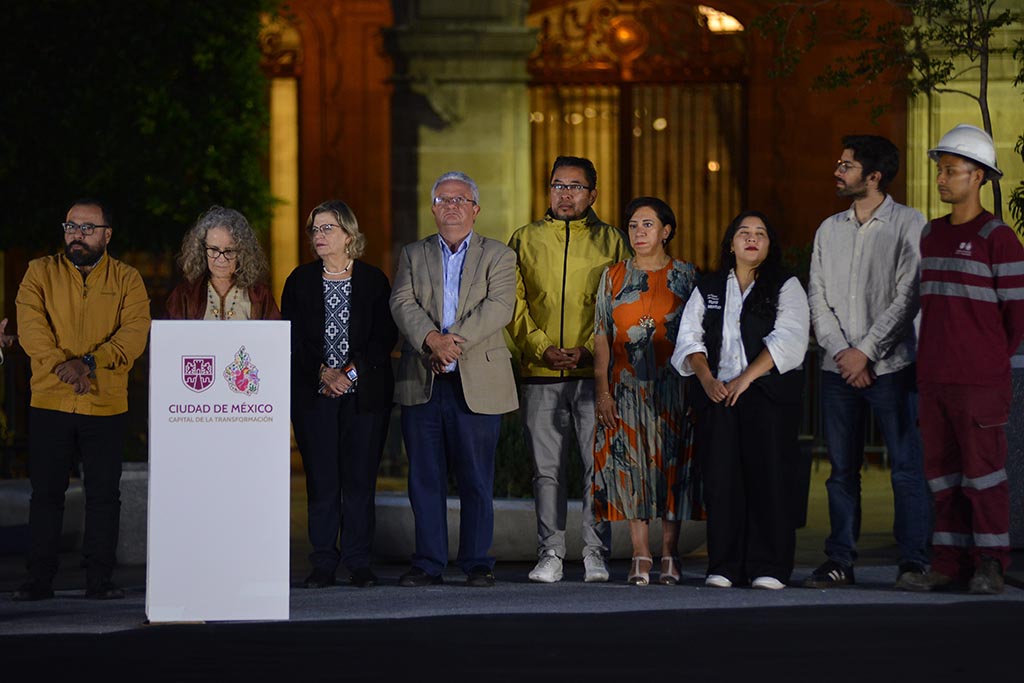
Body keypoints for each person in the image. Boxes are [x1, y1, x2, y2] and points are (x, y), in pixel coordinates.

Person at [899, 124, 1024, 594]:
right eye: (941, 170)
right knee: (941, 476)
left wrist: (985, 360)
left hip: (979, 383)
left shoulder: (1000, 238)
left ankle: (990, 564)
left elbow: (1017, 318)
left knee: (984, 476)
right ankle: (948, 564)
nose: (942, 178)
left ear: (979, 177)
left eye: (952, 170)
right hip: (934, 379)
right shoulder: (931, 235)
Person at [804, 135, 930, 590]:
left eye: (847, 165)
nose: (837, 170)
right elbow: (817, 297)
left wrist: (867, 353)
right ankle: (840, 559)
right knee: (840, 471)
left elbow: (907, 296)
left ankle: (914, 562)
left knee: (905, 467)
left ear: (873, 176)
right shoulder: (828, 229)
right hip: (838, 370)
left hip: (893, 367)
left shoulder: (909, 224)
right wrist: (843, 354)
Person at [13, 199, 150, 601]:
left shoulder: (129, 280)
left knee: (104, 495)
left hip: (104, 404)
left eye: (88, 227)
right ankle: (39, 580)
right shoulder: (39, 272)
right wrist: (64, 367)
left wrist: (89, 363)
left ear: (108, 234)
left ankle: (99, 580)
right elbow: (32, 328)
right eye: (71, 226)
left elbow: (134, 334)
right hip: (50, 402)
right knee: (47, 494)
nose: (77, 234)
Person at [390, 171, 517, 588]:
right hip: (423, 377)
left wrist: (451, 345)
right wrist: (430, 340)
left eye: (461, 199)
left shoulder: (499, 255)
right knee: (424, 477)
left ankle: (477, 561)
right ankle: (428, 562)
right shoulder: (413, 253)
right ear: (433, 208)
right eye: (444, 199)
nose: (452, 206)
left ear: (476, 209)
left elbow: (499, 307)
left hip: (475, 378)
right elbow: (402, 301)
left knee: (476, 477)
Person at [507, 155, 631, 584]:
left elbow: (623, 306)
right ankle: (551, 553)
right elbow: (512, 303)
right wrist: (541, 347)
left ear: (593, 194)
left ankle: (596, 552)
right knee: (547, 471)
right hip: (541, 373)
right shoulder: (524, 239)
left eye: (575, 186)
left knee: (598, 467)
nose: (565, 194)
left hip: (593, 375)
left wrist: (587, 350)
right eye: (558, 185)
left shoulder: (614, 242)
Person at [671, 211, 809, 590]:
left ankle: (769, 566)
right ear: (730, 243)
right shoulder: (710, 286)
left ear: (769, 244)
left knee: (770, 480)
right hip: (718, 397)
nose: (751, 239)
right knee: (722, 482)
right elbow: (689, 338)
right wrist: (707, 378)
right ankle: (725, 565)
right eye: (743, 233)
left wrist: (745, 379)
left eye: (760, 233)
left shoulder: (785, 285)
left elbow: (789, 341)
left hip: (766, 397)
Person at [281, 200, 397, 589]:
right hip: (315, 397)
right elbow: (291, 336)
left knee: (360, 480)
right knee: (322, 479)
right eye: (315, 229)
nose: (318, 235)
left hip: (364, 399)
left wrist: (348, 372)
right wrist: (324, 373)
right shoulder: (299, 280)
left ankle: (358, 561)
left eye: (327, 228)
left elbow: (384, 336)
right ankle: (323, 562)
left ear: (349, 234)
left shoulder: (373, 280)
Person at [592, 197, 698, 585]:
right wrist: (602, 391)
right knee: (629, 468)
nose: (639, 233)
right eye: (634, 225)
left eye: (648, 225)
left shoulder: (687, 276)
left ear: (666, 231)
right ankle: (640, 554)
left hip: (674, 387)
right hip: (624, 388)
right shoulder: (613, 276)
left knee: (674, 469)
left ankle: (670, 554)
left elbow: (698, 335)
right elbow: (602, 335)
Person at [165, 205, 281, 320]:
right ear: (202, 250)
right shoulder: (185, 293)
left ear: (242, 253)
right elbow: (171, 335)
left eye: (229, 251)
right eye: (214, 250)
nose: (221, 259)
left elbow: (274, 335)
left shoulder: (259, 295)